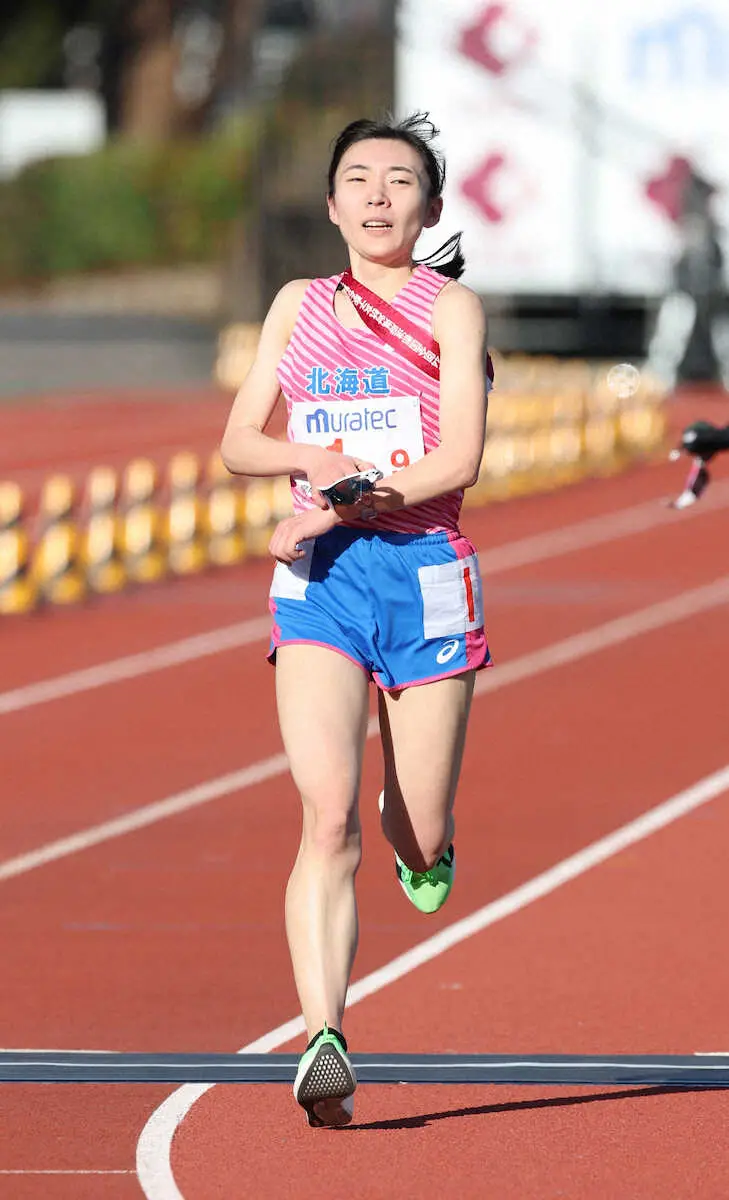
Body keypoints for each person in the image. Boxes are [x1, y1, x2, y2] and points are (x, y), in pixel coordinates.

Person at [220, 112, 493, 1129]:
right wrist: (310, 466)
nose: (379, 195)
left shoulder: (452, 310)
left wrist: (366, 491)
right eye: (359, 179)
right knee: (326, 810)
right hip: (321, 578)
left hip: (424, 571)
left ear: (430, 206)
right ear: (332, 205)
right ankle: (323, 1035)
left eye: (400, 181)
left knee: (412, 828)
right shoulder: (300, 305)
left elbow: (459, 457)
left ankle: (425, 843)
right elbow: (241, 438)